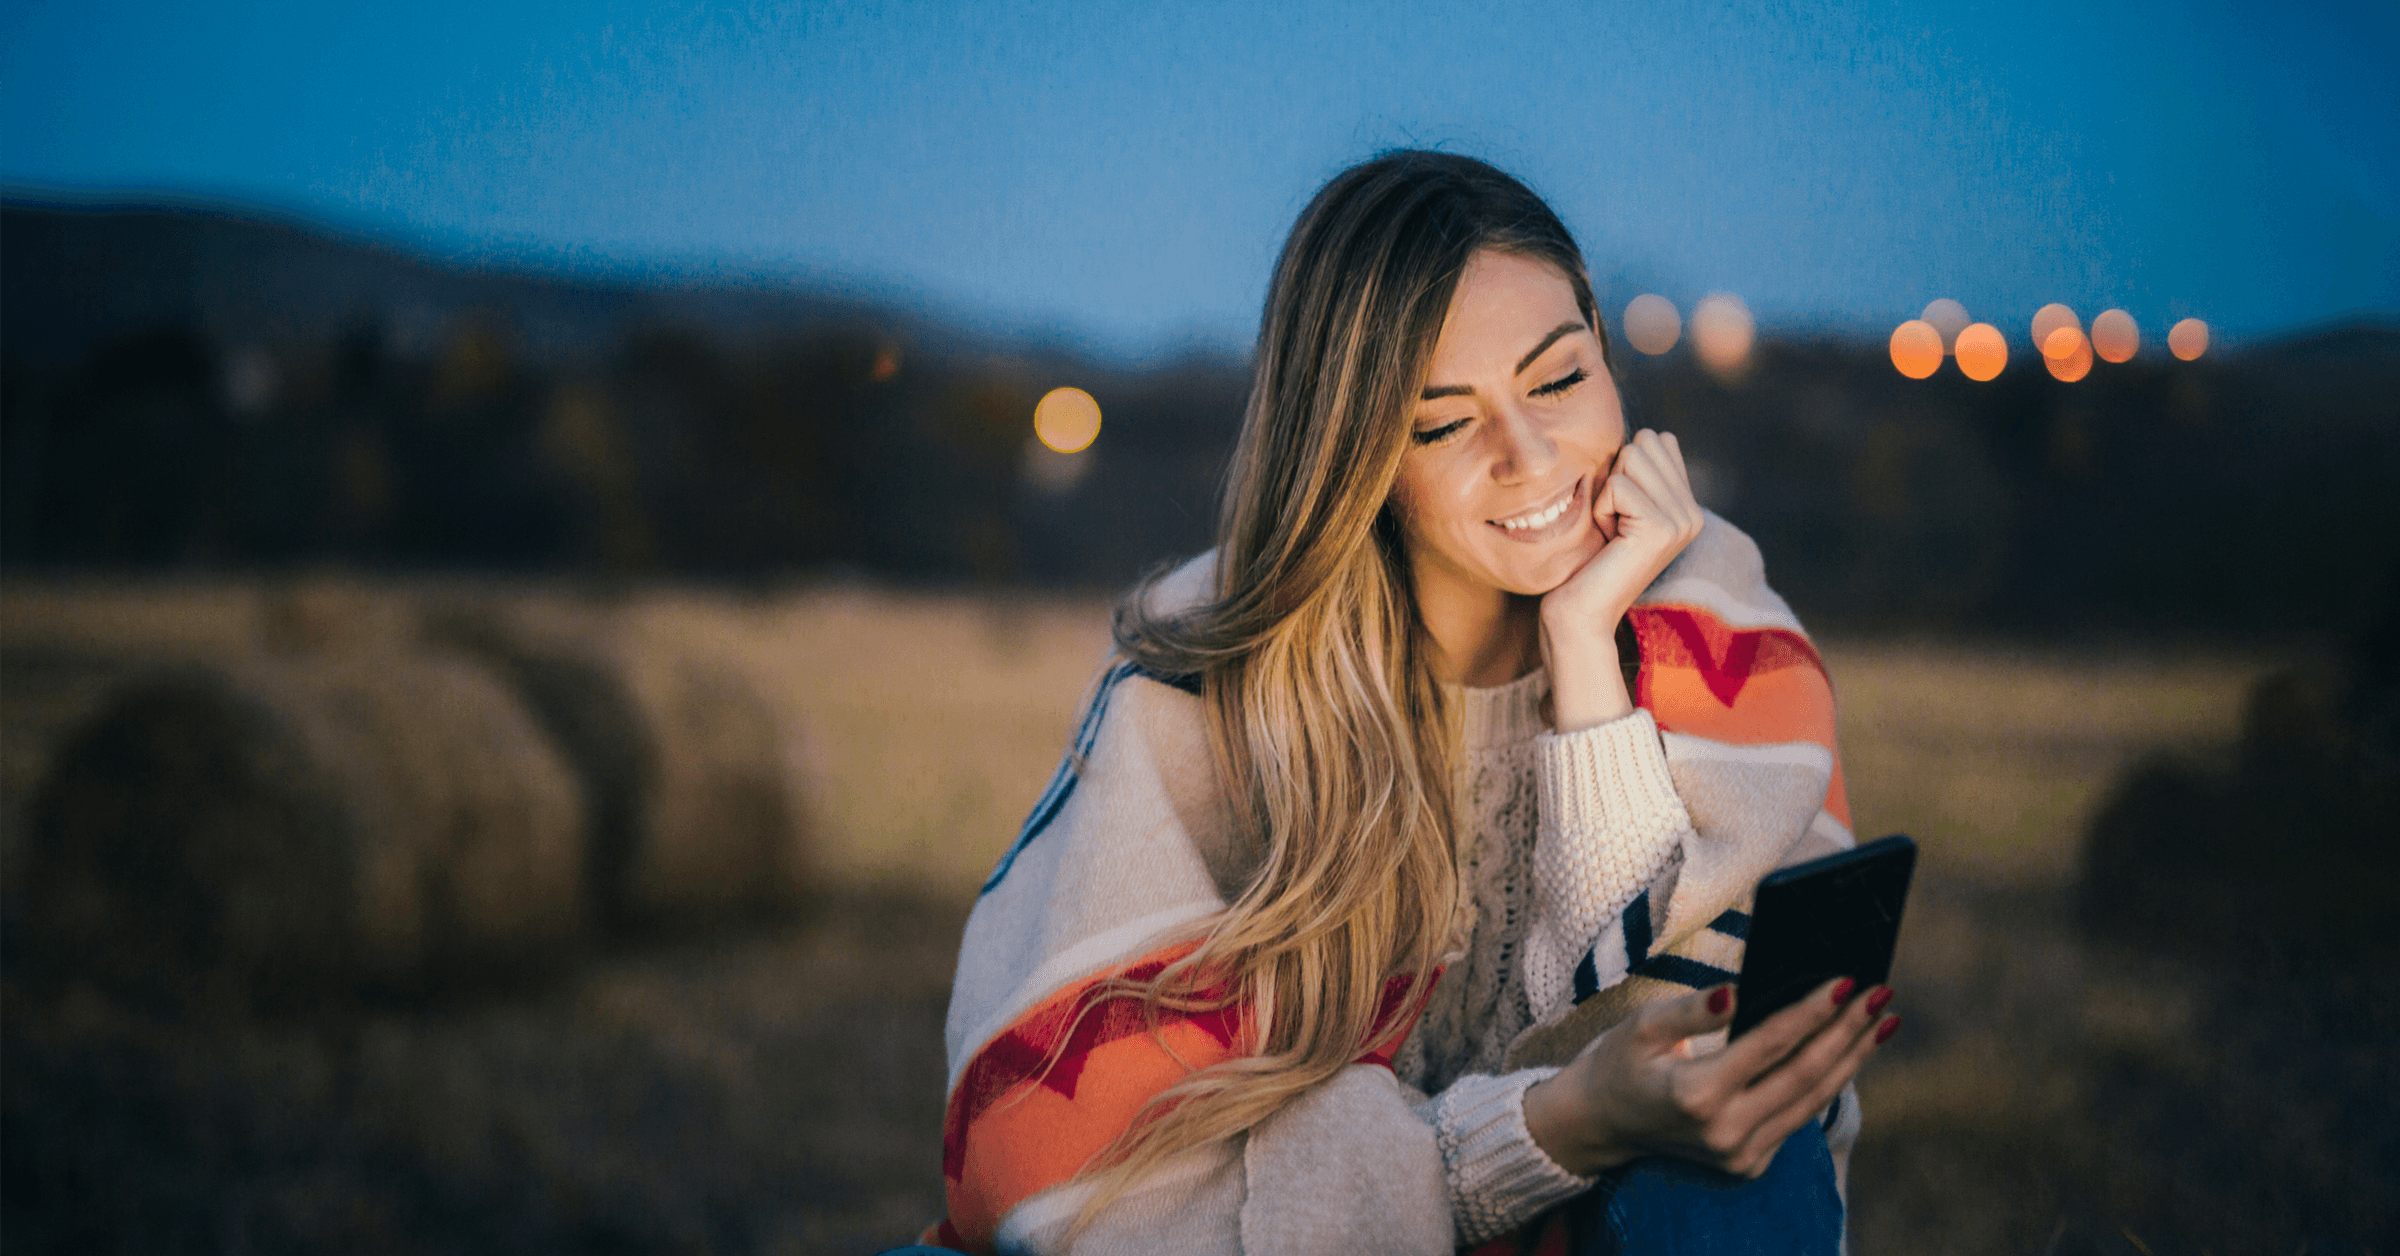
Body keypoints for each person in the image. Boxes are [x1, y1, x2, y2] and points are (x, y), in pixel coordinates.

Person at [921, 151, 1894, 1256]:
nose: (1528, 457)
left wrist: (1583, 652)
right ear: (1358, 457)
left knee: (1727, 1180)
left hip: (1611, 1234)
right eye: (1441, 423)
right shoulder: (1208, 676)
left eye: (1559, 378)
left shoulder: (1715, 629)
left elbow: (1681, 1061)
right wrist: (1548, 1124)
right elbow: (1098, 1166)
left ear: (1608, 362)